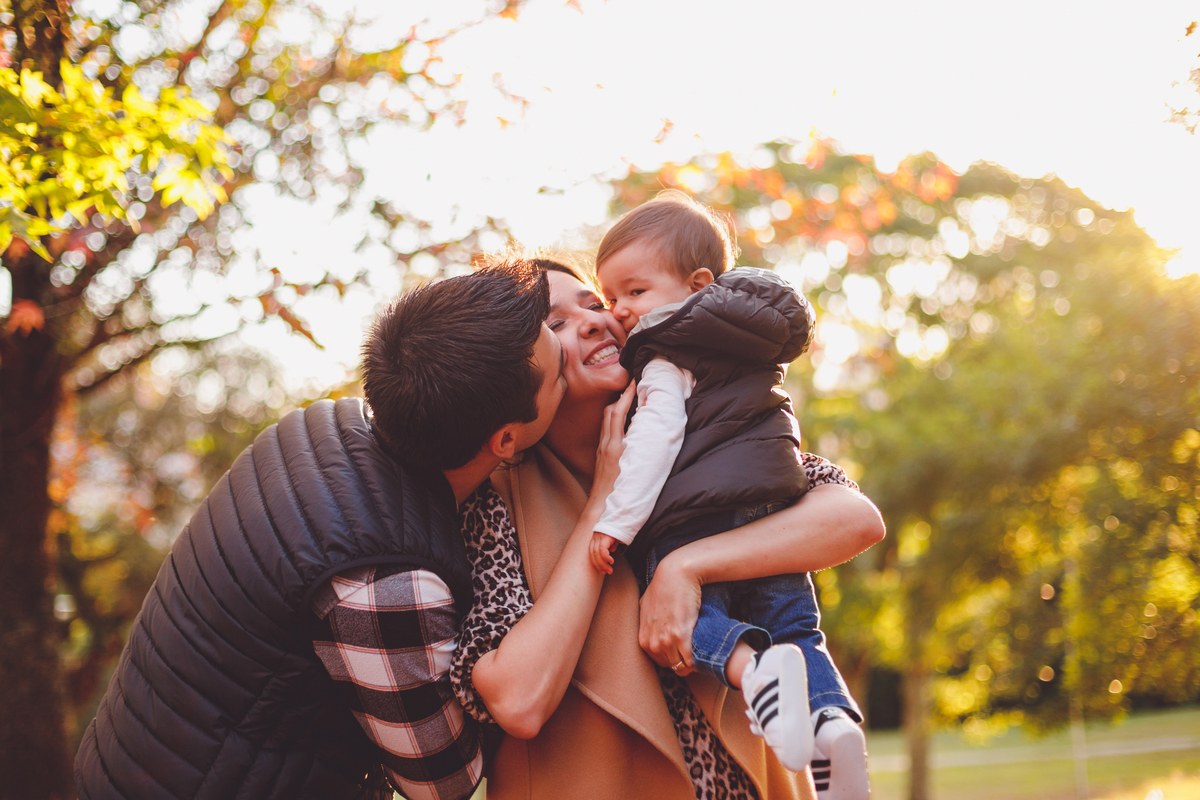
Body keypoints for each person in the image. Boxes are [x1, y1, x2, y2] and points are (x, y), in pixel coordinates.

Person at [75, 262, 592, 800]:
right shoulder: (385, 584)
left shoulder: (322, 427)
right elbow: (445, 781)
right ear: (505, 440)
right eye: (559, 371)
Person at [450, 256, 886, 800]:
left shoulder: (702, 417)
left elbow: (854, 518)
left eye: (595, 304)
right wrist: (602, 506)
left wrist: (687, 566)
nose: (595, 321)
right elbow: (518, 701)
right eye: (556, 323)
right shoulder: (494, 495)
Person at [587, 192, 868, 798]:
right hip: (771, 511)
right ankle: (835, 727)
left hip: (696, 515)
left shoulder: (664, 351)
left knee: (684, 621)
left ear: (697, 284)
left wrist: (618, 522)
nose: (620, 311)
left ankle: (754, 674)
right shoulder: (754, 346)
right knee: (798, 631)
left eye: (635, 291)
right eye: (610, 298)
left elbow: (657, 439)